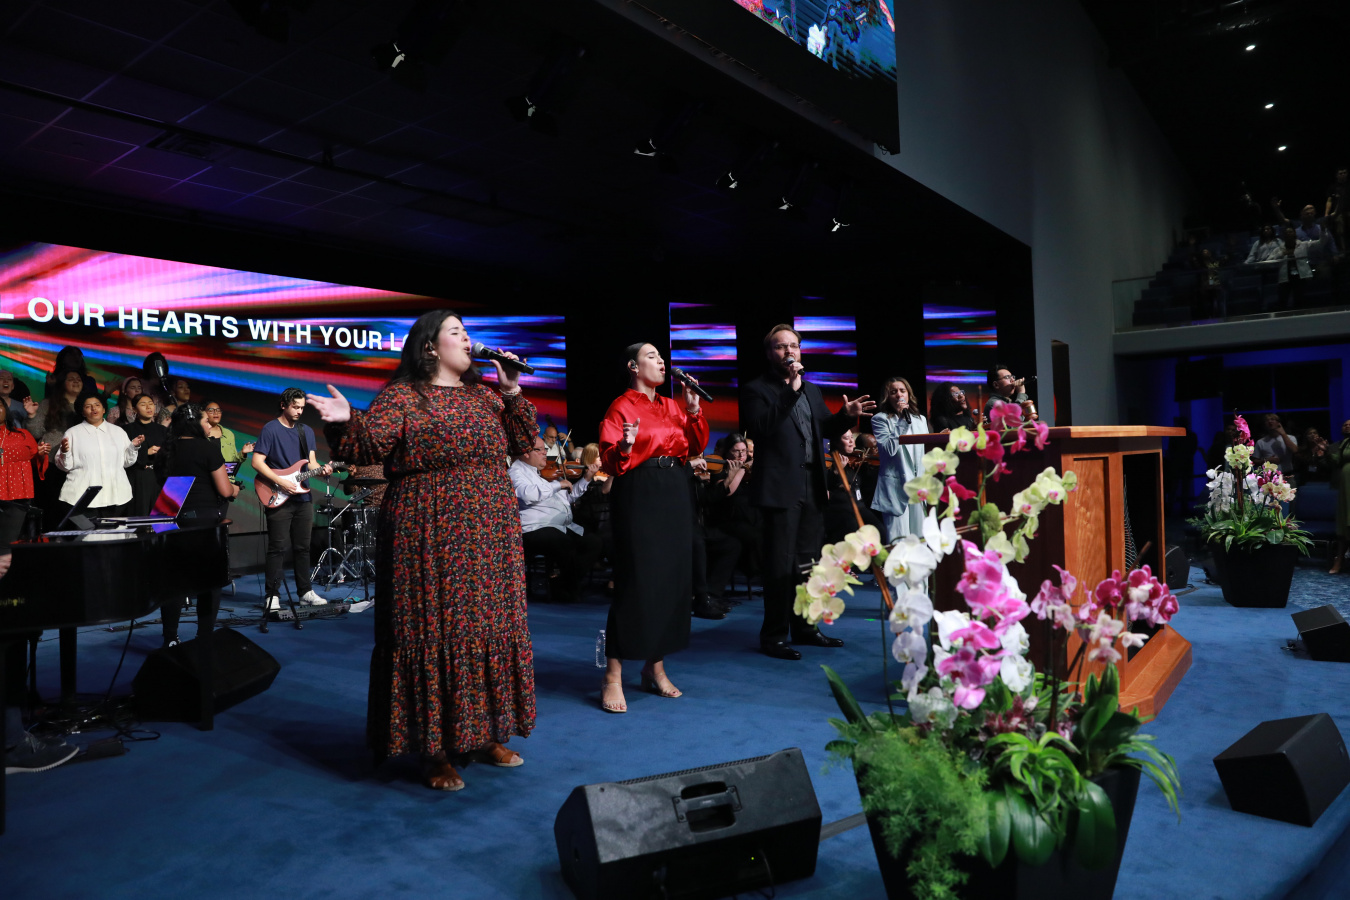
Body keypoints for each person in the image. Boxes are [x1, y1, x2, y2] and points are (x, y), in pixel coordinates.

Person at [307, 309, 536, 791]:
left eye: (467, 332)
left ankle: (483, 732)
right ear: (430, 346)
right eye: (457, 332)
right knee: (435, 629)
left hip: (490, 532)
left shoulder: (485, 396)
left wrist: (512, 389)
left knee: (487, 625)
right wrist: (347, 420)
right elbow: (366, 448)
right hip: (429, 528)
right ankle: (434, 749)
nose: (468, 340)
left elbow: (523, 442)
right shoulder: (404, 396)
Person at [741, 324, 872, 661]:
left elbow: (825, 429)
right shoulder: (756, 389)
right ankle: (774, 635)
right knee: (779, 564)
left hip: (812, 486)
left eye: (794, 346)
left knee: (808, 564)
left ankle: (805, 628)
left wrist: (846, 417)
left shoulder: (812, 390)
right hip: (778, 489)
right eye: (781, 347)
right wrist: (790, 389)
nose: (789, 351)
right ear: (770, 354)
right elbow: (762, 427)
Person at [597, 342, 709, 711]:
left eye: (661, 357)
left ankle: (654, 667)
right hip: (639, 490)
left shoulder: (672, 405)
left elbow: (695, 446)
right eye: (651, 356)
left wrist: (694, 412)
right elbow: (611, 463)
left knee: (671, 581)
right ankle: (612, 674)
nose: (661, 362)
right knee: (636, 581)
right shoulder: (621, 406)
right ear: (633, 366)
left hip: (674, 488)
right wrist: (626, 446)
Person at [154, 403, 239, 647]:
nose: (209, 425)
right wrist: (234, 489)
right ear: (194, 424)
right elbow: (225, 490)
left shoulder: (166, 450)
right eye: (205, 421)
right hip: (202, 520)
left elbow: (164, 484)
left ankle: (170, 638)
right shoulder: (207, 448)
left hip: (167, 516)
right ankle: (204, 637)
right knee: (209, 581)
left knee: (173, 581)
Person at [251, 388, 331, 609]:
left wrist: (322, 470)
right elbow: (257, 462)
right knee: (277, 548)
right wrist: (280, 481)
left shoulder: (306, 431)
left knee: (303, 548)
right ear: (283, 405)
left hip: (303, 498)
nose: (299, 411)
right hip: (278, 494)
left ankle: (305, 592)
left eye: (302, 407)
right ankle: (272, 595)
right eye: (295, 407)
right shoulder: (270, 429)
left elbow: (310, 462)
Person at [510, 435, 602, 603]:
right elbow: (528, 494)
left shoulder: (547, 472)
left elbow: (568, 498)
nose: (545, 453)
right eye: (540, 450)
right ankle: (568, 590)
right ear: (526, 453)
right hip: (534, 529)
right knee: (562, 542)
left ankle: (561, 583)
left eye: (545, 449)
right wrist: (557, 485)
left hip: (559, 526)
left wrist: (587, 478)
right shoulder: (516, 472)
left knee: (593, 542)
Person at [53, 391, 141, 518]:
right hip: (81, 497)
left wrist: (133, 447)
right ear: (83, 412)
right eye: (88, 406)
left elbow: (127, 462)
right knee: (86, 531)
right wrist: (65, 452)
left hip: (116, 496)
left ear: (104, 409)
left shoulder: (118, 432)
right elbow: (65, 466)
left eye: (97, 405)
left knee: (114, 530)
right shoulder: (72, 433)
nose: (93, 408)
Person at [871, 376, 931, 542]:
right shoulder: (880, 419)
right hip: (896, 489)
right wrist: (902, 422)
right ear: (887, 397)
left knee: (920, 540)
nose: (899, 394)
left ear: (908, 394)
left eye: (902, 390)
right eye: (893, 392)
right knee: (899, 542)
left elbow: (925, 452)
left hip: (918, 487)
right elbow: (889, 450)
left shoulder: (920, 420)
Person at [824, 429, 883, 545]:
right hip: (842, 511)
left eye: (852, 437)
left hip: (860, 506)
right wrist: (837, 471)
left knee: (880, 530)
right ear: (836, 442)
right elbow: (827, 486)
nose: (851, 441)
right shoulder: (831, 463)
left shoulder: (855, 460)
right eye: (846, 438)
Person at [1259, 225, 1333, 309]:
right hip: (1285, 278)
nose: (1288, 234)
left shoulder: (1303, 245)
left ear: (1294, 233)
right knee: (1283, 301)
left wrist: (1322, 230)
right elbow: (1268, 262)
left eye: (1290, 232)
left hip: (1300, 277)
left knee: (1299, 301)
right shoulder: (1279, 249)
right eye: (1286, 233)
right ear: (1284, 235)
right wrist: (1282, 254)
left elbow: (1321, 243)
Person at [1312, 419, 1350, 575]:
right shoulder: (1344, 444)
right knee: (1344, 523)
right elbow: (1336, 462)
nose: (1347, 426)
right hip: (1346, 486)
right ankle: (1338, 560)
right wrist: (1326, 451)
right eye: (1345, 424)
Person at [121, 394, 169, 516]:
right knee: (140, 513)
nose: (148, 407)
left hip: (159, 476)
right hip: (139, 476)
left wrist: (162, 452)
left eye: (150, 404)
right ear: (134, 409)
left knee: (160, 515)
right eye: (143, 404)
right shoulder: (127, 430)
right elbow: (123, 456)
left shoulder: (162, 430)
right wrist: (145, 452)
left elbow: (170, 452)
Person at [0, 401, 48, 507]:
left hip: (20, 495)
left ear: (6, 410)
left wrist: (40, 454)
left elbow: (36, 461)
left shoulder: (22, 435)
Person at [30, 370, 83, 443]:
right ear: (62, 383)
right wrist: (32, 415)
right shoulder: (48, 404)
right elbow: (36, 433)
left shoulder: (87, 406)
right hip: (52, 448)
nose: (76, 381)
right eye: (71, 379)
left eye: (79, 379)